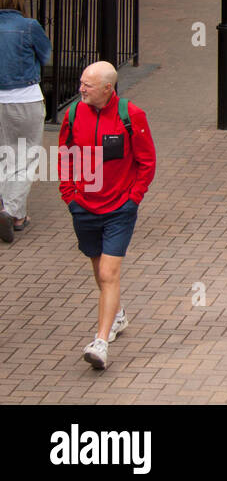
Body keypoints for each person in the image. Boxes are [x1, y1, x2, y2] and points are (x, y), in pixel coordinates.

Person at [58, 61, 157, 370]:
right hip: (84, 206)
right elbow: (64, 154)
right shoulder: (74, 114)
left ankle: (100, 341)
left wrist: (133, 198)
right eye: (81, 83)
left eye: (87, 85)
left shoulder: (132, 115)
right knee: (98, 265)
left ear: (107, 89)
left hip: (119, 209)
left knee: (108, 274)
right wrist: (69, 195)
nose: (80, 89)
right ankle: (117, 313)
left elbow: (147, 161)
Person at [0, 0, 51, 242]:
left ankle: (7, 208)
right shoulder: (29, 26)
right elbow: (45, 57)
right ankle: (12, 212)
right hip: (25, 98)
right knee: (25, 156)